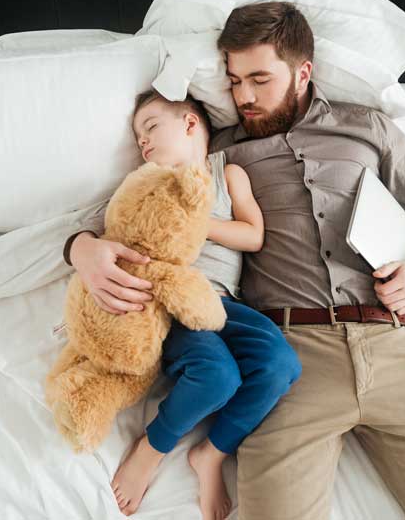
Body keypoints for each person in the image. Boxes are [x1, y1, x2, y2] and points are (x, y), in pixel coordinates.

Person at [66, 1, 405, 520]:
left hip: (395, 345)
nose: (244, 97)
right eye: (233, 82)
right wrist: (81, 248)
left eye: (259, 79)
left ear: (304, 72)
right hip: (290, 355)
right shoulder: (218, 156)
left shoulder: (369, 128)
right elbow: (121, 211)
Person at [63, 89, 301, 519]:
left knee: (281, 364)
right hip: (167, 304)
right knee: (218, 377)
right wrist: (84, 246)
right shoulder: (144, 183)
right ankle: (152, 448)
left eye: (151, 128)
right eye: (138, 139)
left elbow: (254, 235)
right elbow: (102, 227)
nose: (144, 143)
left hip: (224, 303)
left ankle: (211, 452)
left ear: (190, 124)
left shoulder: (227, 174)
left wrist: (198, 224)